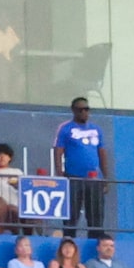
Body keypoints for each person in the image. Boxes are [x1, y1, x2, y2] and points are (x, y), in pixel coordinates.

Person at [55, 97, 110, 232]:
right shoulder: (66, 129)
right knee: (71, 216)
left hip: (94, 179)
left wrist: (106, 178)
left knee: (96, 217)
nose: (84, 112)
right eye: (80, 110)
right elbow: (58, 152)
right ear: (74, 111)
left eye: (87, 109)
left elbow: (102, 153)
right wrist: (60, 174)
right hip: (73, 178)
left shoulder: (96, 129)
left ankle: (95, 246)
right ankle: (68, 243)